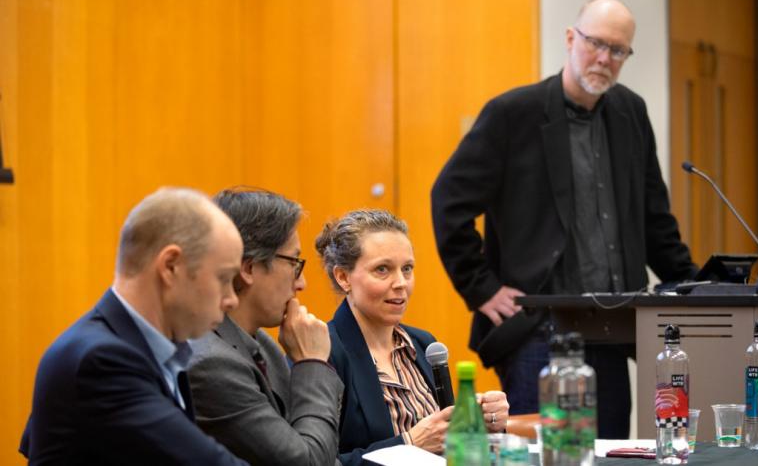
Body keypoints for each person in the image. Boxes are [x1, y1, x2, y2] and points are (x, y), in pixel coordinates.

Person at [431, 0, 697, 438]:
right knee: (548, 454)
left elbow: (654, 218)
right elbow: (448, 200)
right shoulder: (513, 114)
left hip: (613, 326)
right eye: (596, 44)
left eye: (618, 50)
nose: (604, 58)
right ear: (571, 39)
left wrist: (693, 286)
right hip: (540, 327)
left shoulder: (631, 112)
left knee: (610, 450)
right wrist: (482, 288)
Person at [19, 187, 248, 465]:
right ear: (171, 266)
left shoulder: (153, 351)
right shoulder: (100, 361)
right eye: (223, 278)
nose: (231, 299)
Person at [316, 209, 510, 466]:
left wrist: (478, 421)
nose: (401, 283)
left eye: (407, 269)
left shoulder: (424, 344)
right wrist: (409, 444)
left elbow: (447, 442)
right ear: (343, 277)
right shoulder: (322, 353)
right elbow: (317, 462)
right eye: (382, 270)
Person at [187, 188, 344, 466]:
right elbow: (307, 462)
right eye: (294, 263)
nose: (301, 283)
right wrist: (313, 363)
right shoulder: (211, 363)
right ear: (248, 269)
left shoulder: (263, 345)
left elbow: (324, 450)